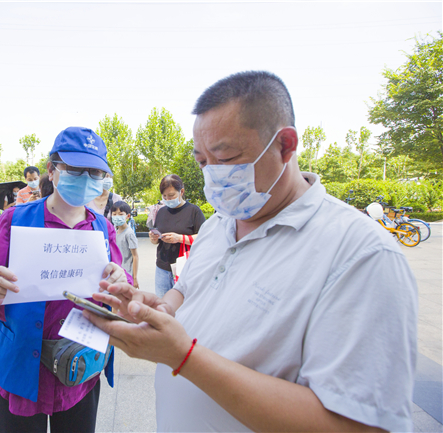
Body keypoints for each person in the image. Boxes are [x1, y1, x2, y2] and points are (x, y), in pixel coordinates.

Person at [85, 71, 418, 433]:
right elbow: (188, 290)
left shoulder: (361, 255)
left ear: (285, 145)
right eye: (202, 162)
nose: (213, 175)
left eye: (226, 157)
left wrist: (183, 356)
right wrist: (162, 308)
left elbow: (360, 425)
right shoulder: (219, 225)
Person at [0, 126, 128, 433]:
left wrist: (121, 280)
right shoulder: (15, 220)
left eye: (95, 173)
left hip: (80, 369)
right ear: (52, 170)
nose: (86, 179)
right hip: (22, 369)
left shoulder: (103, 228)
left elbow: (120, 278)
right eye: (75, 170)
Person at [148, 174, 205, 298]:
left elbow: (204, 238)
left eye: (171, 195)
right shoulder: (161, 212)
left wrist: (179, 238)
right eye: (164, 196)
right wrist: (154, 238)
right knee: (162, 304)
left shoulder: (194, 211)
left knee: (184, 304)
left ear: (181, 192)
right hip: (162, 268)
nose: (167, 199)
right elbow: (157, 240)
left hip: (185, 268)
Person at [111, 201, 139, 289]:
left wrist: (134, 278)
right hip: (117, 273)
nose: (117, 217)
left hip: (127, 275)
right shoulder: (115, 232)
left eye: (120, 214)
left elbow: (135, 256)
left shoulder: (129, 234)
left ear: (128, 216)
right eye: (114, 214)